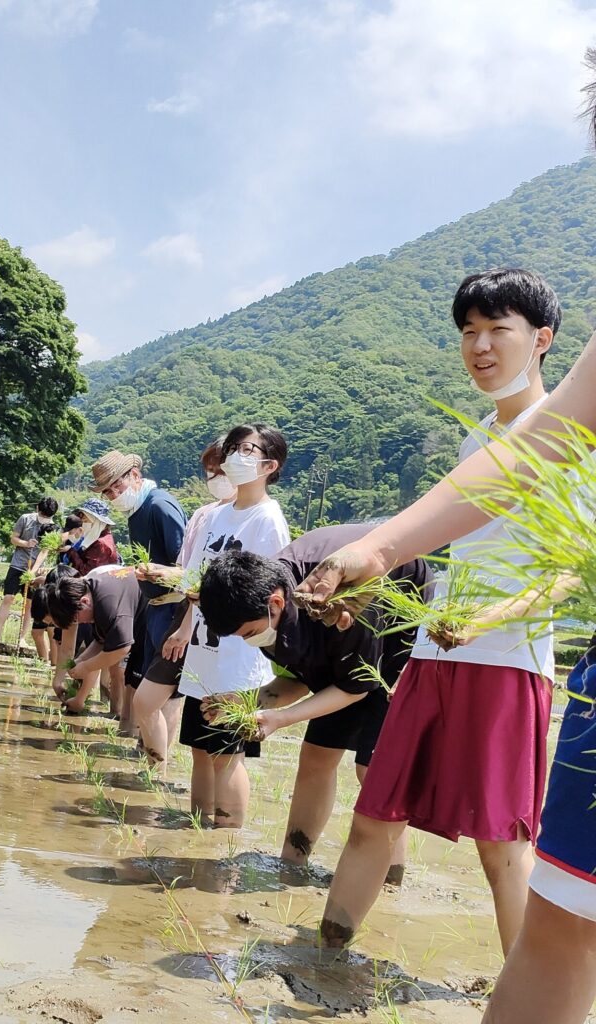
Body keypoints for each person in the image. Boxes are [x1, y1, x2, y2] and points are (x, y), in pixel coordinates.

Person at [294, 293, 596, 1019]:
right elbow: (435, 551)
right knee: (376, 814)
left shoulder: (571, 435)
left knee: (504, 845)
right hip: (434, 655)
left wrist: (488, 618)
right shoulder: (474, 445)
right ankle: (318, 959)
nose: (481, 346)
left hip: (508, 664)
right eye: (469, 332)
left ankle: (522, 988)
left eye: (499, 330)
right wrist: (375, 585)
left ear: (545, 339)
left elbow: (569, 567)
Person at [197, 528, 431, 871]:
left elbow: (356, 687)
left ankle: (389, 876)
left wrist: (281, 719)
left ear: (276, 603)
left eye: (248, 633)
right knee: (316, 756)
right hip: (346, 650)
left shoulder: (344, 602)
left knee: (373, 766)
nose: (249, 641)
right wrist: (248, 700)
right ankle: (293, 863)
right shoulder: (263, 596)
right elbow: (301, 681)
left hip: (396, 630)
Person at [174, 424, 290, 828]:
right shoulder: (217, 515)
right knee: (199, 748)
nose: (234, 456)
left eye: (246, 449)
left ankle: (225, 836)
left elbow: (273, 592)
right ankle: (195, 830)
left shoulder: (268, 519)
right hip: (204, 651)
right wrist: (185, 621)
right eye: (232, 449)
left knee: (227, 752)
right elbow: (193, 579)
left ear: (269, 465)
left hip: (239, 655)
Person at [132, 437, 236, 770]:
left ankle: (158, 771)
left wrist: (185, 623)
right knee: (154, 702)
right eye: (209, 471)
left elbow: (215, 581)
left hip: (218, 630)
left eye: (220, 470)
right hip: (185, 615)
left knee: (207, 725)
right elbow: (190, 573)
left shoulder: (256, 518)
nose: (215, 478)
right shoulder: (205, 515)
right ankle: (156, 770)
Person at [89, 450, 186, 736]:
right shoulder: (135, 512)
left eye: (116, 485)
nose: (114, 494)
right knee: (147, 681)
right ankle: (147, 746)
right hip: (153, 605)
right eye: (107, 492)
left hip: (173, 606)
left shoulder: (159, 505)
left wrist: (159, 571)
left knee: (167, 689)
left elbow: (185, 563)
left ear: (134, 475)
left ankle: (157, 764)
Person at [41, 568, 146, 713]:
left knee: (140, 696)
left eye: (76, 619)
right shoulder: (89, 594)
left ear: (84, 602)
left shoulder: (107, 604)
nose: (80, 623)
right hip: (140, 626)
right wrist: (81, 660)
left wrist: (86, 667)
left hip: (155, 622)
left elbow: (121, 648)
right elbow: (100, 641)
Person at [0, 497, 59, 647]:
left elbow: (44, 552)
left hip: (35, 570)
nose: (45, 519)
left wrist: (33, 572)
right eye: (43, 515)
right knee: (8, 598)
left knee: (29, 604)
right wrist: (26, 543)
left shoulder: (53, 528)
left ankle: (22, 638)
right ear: (37, 509)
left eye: (48, 517)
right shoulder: (25, 519)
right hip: (18, 565)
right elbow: (14, 539)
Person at [67, 499, 120, 575]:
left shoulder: (101, 544)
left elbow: (87, 572)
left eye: (85, 521)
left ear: (96, 522)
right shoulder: (99, 536)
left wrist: (71, 551)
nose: (83, 525)